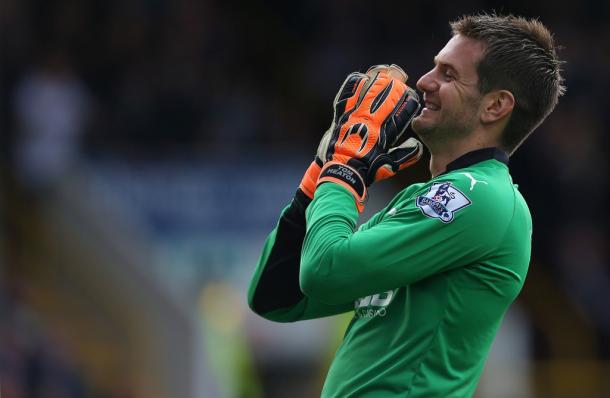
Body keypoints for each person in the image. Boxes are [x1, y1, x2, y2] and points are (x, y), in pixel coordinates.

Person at [247, 13, 564, 397]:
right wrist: (319, 177)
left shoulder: (476, 197)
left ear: (495, 106)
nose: (424, 81)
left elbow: (323, 269)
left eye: (448, 75)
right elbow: (275, 296)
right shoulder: (425, 202)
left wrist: (345, 169)